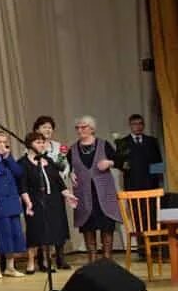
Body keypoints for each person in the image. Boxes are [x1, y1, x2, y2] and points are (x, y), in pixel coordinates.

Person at [69, 115, 122, 262]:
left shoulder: (104, 144)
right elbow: (66, 168)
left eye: (83, 127)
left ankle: (107, 259)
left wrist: (109, 162)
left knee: (106, 226)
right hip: (85, 195)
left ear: (92, 129)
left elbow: (120, 161)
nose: (80, 130)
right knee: (88, 227)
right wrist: (70, 173)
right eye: (77, 128)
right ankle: (92, 260)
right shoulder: (72, 149)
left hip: (103, 195)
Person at [19, 132, 75, 271]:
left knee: (50, 232)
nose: (42, 144)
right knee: (35, 231)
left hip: (52, 200)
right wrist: (28, 203)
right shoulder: (23, 163)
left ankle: (46, 261)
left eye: (42, 142)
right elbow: (23, 186)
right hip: (34, 201)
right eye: (38, 142)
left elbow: (59, 181)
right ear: (30, 144)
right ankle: (31, 261)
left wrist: (68, 195)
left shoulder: (48, 160)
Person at [32, 116, 72, 269]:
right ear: (37, 130)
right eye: (44, 127)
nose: (47, 130)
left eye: (50, 127)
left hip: (56, 187)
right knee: (44, 222)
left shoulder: (58, 146)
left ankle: (60, 257)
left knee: (59, 221)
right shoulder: (32, 146)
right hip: (41, 188)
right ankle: (44, 258)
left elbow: (66, 165)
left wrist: (62, 174)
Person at [0, 131, 26, 277]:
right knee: (0, 234)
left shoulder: (7, 158)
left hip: (11, 200)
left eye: (4, 142)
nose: (2, 145)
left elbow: (19, 173)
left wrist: (7, 157)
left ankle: (10, 267)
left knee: (13, 233)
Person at [115, 113, 163, 190]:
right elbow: (118, 162)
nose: (138, 126)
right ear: (130, 126)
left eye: (140, 123)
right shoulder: (123, 143)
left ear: (143, 125)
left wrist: (159, 181)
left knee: (152, 202)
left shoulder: (152, 141)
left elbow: (158, 162)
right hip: (132, 183)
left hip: (151, 183)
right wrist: (124, 166)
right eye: (134, 124)